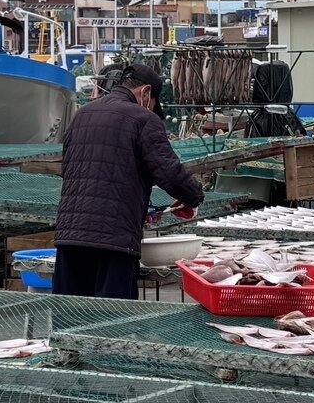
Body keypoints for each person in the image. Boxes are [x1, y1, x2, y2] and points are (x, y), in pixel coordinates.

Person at [53, 63, 204, 299]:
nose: (152, 109)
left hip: (69, 238)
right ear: (145, 92)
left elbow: (76, 170)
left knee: (70, 318)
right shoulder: (144, 119)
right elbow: (169, 171)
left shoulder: (82, 115)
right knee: (114, 323)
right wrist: (193, 198)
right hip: (114, 241)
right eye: (153, 102)